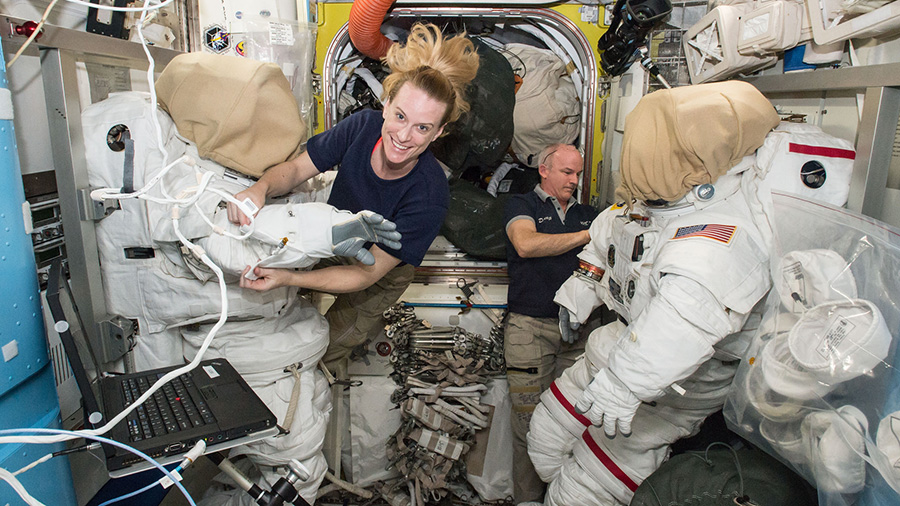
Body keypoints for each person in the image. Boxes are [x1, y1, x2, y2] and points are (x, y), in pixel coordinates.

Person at [526, 81, 780, 505]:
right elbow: (604, 243)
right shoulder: (649, 205)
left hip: (669, 387)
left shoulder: (719, 239)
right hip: (615, 350)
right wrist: (579, 292)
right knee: (546, 441)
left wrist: (624, 385)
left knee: (581, 491)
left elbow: (682, 320)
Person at [227, 23, 480, 367]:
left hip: (378, 271)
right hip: (331, 240)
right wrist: (260, 188)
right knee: (276, 314)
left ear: (438, 133)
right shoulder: (361, 127)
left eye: (422, 128)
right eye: (401, 116)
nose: (404, 136)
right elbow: (297, 171)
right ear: (387, 105)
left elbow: (365, 275)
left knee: (322, 349)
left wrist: (290, 278)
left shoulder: (429, 195)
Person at [503, 143, 599, 503]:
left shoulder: (590, 214)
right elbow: (526, 245)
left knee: (575, 425)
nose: (574, 180)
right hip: (530, 330)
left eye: (578, 173)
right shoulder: (521, 205)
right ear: (544, 170)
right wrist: (590, 236)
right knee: (529, 425)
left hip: (579, 334)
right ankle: (528, 500)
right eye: (566, 172)